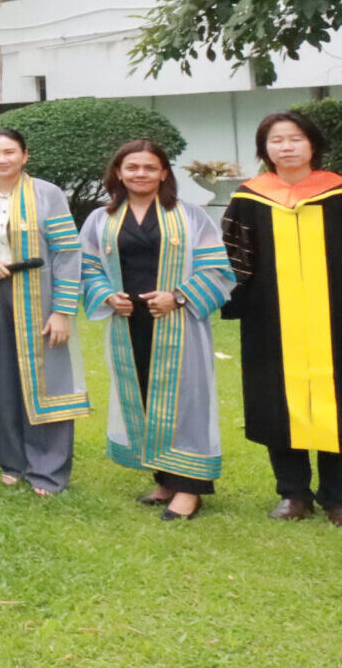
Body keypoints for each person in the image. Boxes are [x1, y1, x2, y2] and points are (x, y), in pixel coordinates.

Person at [219, 111, 342, 531]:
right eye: (276, 140)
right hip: (269, 318)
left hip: (339, 317)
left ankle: (339, 500)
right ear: (265, 150)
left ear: (313, 145)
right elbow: (234, 258)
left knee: (341, 402)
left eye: (295, 139)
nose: (287, 147)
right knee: (277, 399)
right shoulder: (250, 197)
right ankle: (293, 494)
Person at [80, 139, 236, 522]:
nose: (140, 174)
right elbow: (86, 267)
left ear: (164, 173)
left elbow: (218, 269)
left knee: (186, 402)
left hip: (179, 323)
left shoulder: (190, 216)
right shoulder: (102, 219)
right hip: (128, 322)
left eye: (150, 167)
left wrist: (178, 297)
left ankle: (190, 489)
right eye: (132, 167)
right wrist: (105, 295)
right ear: (118, 172)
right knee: (146, 396)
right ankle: (166, 480)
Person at [0, 128, 90, 496]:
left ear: (25, 155)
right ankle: (13, 461)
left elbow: (67, 251)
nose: (2, 159)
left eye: (9, 152)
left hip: (41, 295)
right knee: (3, 376)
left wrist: (63, 311)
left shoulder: (47, 193)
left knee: (48, 379)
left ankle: (49, 469)